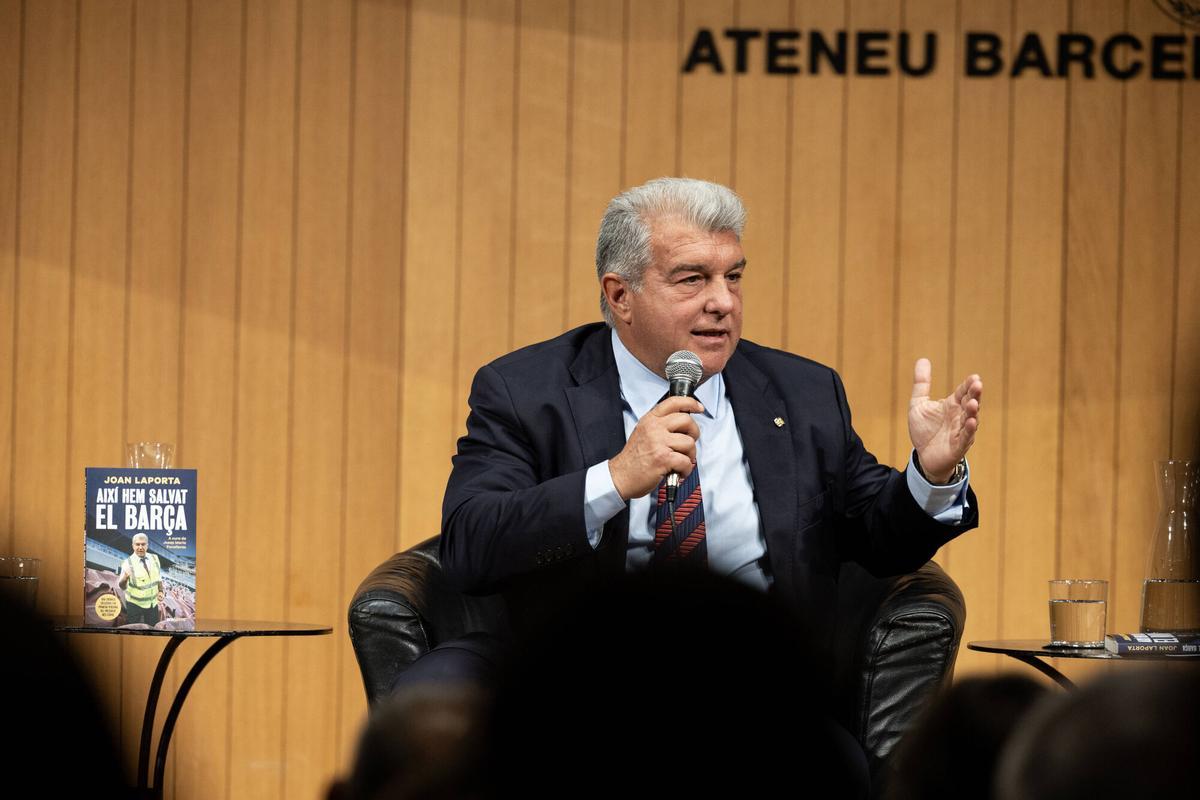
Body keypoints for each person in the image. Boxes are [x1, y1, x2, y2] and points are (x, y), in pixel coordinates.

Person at [440, 177, 982, 662]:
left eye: (734, 276)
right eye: (692, 279)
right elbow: (470, 545)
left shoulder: (803, 393)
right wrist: (615, 478)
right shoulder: (525, 393)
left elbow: (879, 537)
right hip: (594, 690)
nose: (723, 302)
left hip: (760, 694)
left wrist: (931, 476)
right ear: (620, 295)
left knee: (840, 770)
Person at [118, 532, 164, 626]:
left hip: (152, 603)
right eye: (137, 544)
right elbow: (122, 586)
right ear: (133, 545)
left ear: (147, 545)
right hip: (134, 604)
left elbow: (158, 578)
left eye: (143, 544)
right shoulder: (127, 563)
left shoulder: (155, 558)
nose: (140, 547)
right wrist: (125, 577)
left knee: (152, 629)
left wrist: (160, 591)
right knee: (133, 628)